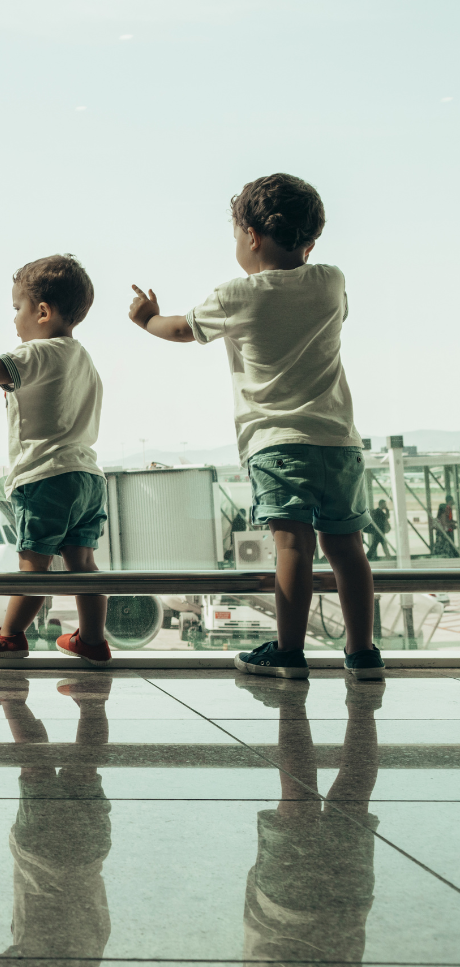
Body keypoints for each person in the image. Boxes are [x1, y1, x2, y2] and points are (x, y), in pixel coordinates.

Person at [128, 173, 383, 681]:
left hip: (277, 444)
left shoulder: (236, 296)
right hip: (339, 441)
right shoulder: (330, 282)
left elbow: (179, 330)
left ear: (251, 235)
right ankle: (363, 653)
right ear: (310, 241)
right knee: (347, 547)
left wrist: (145, 318)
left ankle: (289, 651)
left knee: (293, 547)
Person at [0, 255, 112, 663]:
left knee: (34, 563)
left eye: (18, 308)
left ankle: (10, 636)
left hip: (46, 477)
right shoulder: (82, 359)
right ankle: (92, 639)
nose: (15, 319)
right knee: (83, 563)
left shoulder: (38, 352)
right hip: (87, 476)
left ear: (43, 312)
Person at [0, 675, 115, 967]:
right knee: (37, 765)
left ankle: (93, 700)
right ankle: (11, 696)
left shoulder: (88, 963)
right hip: (43, 855)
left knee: (84, 768)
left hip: (90, 853)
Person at [236, 675, 381, 967]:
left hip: (344, 917)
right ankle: (292, 696)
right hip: (280, 912)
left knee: (354, 794)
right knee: (297, 794)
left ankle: (363, 701)